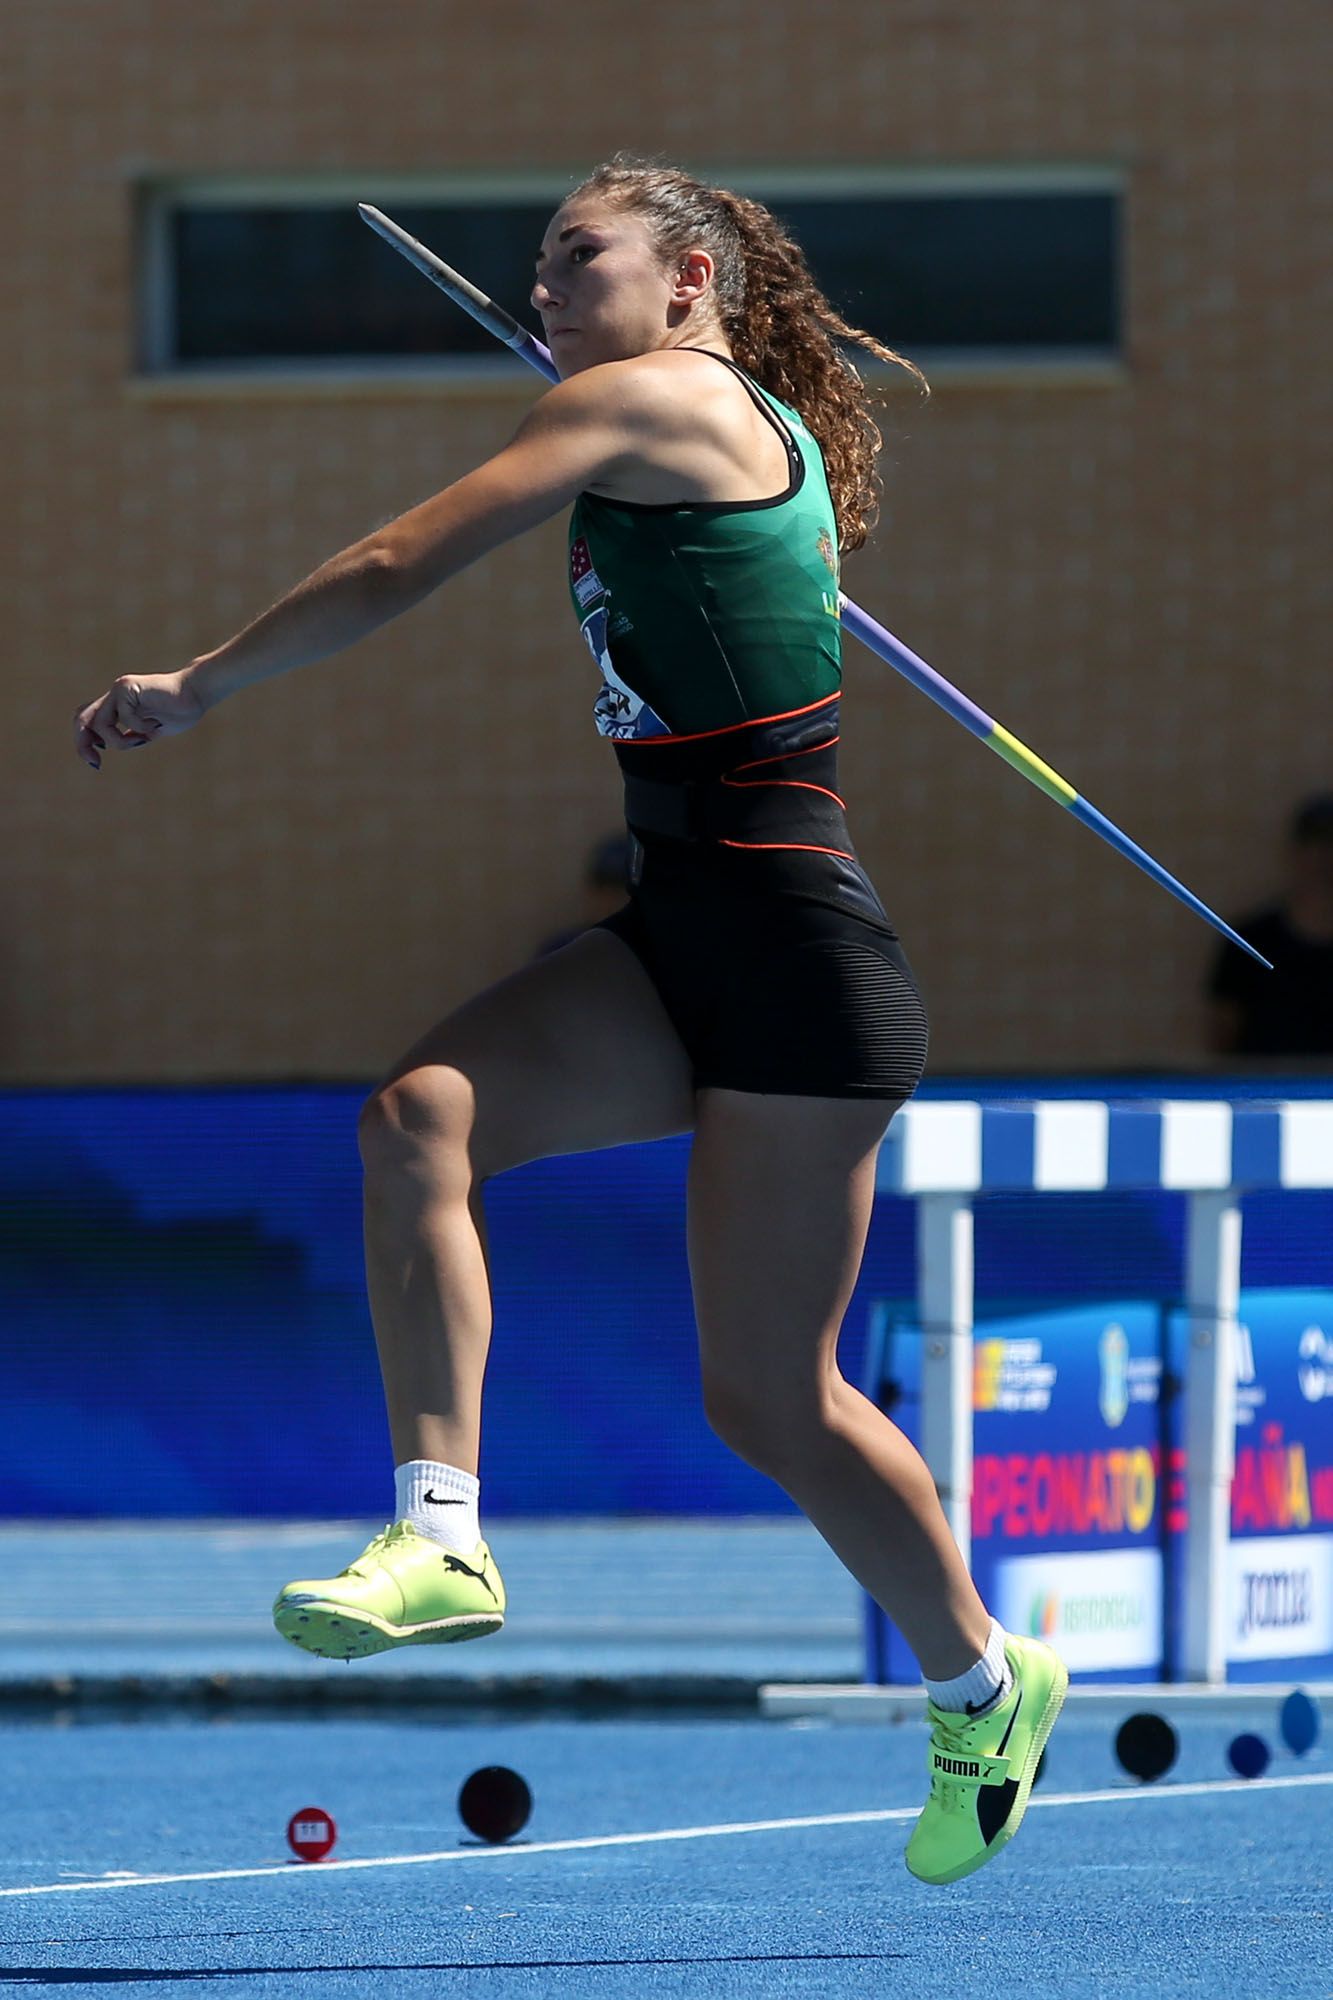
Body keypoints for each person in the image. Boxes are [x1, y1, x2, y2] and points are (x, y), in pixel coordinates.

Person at [74, 154, 1065, 1885]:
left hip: (794, 964)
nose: (541, 281)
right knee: (415, 1124)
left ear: (689, 281)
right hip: (672, 929)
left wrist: (195, 685)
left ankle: (984, 1680)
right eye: (537, 259)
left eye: (575, 253)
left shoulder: (663, 402)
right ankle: (440, 1533)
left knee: (766, 1399)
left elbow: (397, 563)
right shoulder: (675, 414)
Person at [1205, 793, 1333, 1060]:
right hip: (1263, 1093)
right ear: (1294, 853)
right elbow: (1222, 1036)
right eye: (1315, 843)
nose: (1324, 858)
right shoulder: (1249, 941)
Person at [534, 830, 634, 956]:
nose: (610, 901)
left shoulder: (653, 959)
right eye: (602, 887)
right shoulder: (561, 950)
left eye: (620, 891)